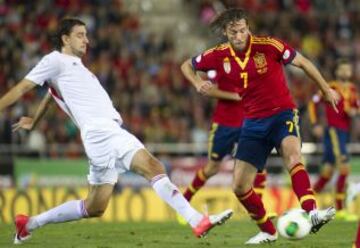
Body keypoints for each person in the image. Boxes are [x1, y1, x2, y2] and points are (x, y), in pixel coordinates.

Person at [0, 18, 233, 245]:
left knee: (95, 207)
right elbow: (23, 87)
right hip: (102, 131)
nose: (86, 40)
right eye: (80, 35)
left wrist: (35, 121)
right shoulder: (54, 60)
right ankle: (196, 220)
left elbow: (52, 96)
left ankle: (28, 224)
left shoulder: (73, 68)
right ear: (65, 38)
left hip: (100, 134)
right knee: (153, 167)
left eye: (86, 35)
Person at [181, 8, 339, 244]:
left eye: (243, 30)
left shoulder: (269, 46)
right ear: (226, 32)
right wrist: (196, 83)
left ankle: (312, 211)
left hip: (282, 113)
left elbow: (304, 62)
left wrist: (325, 89)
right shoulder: (218, 55)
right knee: (240, 186)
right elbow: (186, 65)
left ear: (248, 28)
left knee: (293, 156)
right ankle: (268, 230)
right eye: (234, 32)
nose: (239, 35)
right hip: (253, 122)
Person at [181, 58, 271, 211]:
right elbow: (209, 89)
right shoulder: (222, 63)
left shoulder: (255, 65)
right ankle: (185, 199)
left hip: (248, 124)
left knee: (258, 165)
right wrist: (234, 96)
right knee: (212, 168)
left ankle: (258, 209)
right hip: (224, 125)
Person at [309, 59, 359, 221]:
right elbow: (313, 103)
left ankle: (305, 204)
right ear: (337, 72)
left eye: (348, 70)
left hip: (344, 133)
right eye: (342, 70)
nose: (345, 73)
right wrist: (315, 123)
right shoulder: (330, 87)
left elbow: (355, 107)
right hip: (333, 131)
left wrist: (353, 111)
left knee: (327, 173)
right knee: (344, 167)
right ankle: (340, 208)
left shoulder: (352, 89)